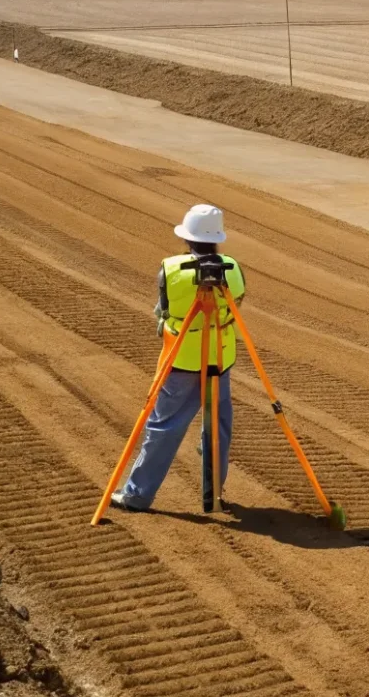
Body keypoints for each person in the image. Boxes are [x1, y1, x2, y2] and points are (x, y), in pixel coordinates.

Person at [110, 204, 249, 513]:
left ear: (188, 238)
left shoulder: (171, 270)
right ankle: (213, 494)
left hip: (182, 362)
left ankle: (137, 495)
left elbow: (164, 311)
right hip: (220, 360)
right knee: (219, 427)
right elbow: (236, 303)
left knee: (164, 427)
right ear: (217, 238)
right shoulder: (233, 269)